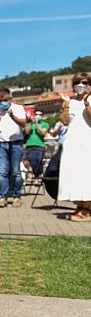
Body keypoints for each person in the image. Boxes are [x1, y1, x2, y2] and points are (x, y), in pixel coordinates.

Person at [57, 73, 91, 221]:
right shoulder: (70, 101)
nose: (81, 85)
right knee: (75, 176)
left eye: (84, 82)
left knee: (87, 175)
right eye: (77, 82)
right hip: (72, 143)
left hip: (88, 142)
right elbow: (64, 121)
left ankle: (87, 209)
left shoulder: (89, 99)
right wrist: (66, 105)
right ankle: (80, 206)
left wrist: (86, 102)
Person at [0, 88, 27, 207]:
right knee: (2, 172)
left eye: (6, 100)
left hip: (16, 143)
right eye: (1, 100)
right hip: (1, 144)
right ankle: (3, 196)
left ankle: (17, 196)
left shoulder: (18, 108)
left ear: (10, 99)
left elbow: (23, 123)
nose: (3, 102)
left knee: (16, 172)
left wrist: (12, 115)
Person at [23, 110, 49, 186]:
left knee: (37, 161)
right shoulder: (29, 124)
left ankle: (37, 177)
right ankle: (31, 175)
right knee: (26, 162)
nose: (38, 116)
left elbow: (43, 133)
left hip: (39, 146)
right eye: (36, 114)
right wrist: (31, 123)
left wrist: (37, 124)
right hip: (29, 145)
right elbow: (27, 132)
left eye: (40, 114)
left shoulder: (45, 124)